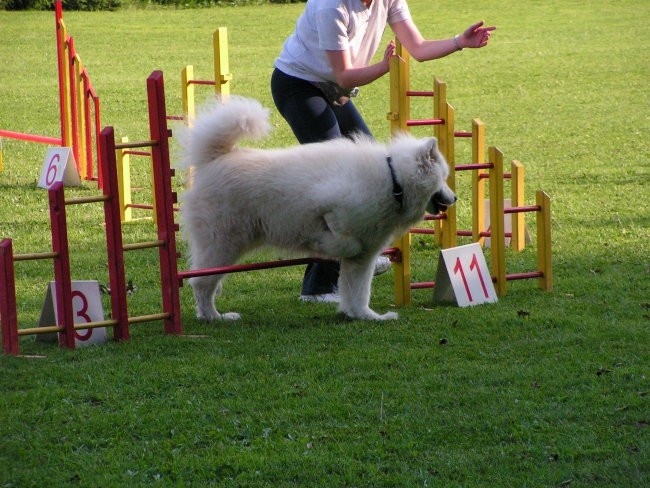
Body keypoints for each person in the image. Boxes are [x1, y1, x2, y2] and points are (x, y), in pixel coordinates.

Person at [271, 0, 495, 303]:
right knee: (335, 174)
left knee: (376, 166)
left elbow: (417, 47)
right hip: (297, 84)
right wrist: (382, 67)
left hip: (334, 91)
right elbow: (345, 76)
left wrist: (460, 42)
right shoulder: (330, 7)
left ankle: (355, 252)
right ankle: (319, 286)